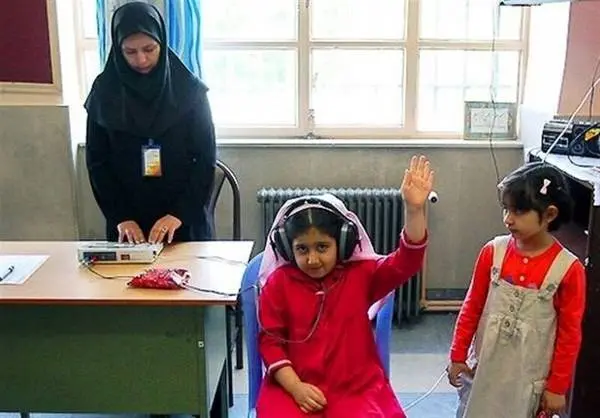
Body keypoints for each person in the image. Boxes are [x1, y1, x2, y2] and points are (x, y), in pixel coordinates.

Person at [255, 155, 434, 418]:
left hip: (356, 387)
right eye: (302, 249)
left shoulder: (362, 274)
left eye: (322, 247)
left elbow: (407, 261)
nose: (312, 259)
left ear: (343, 242)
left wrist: (414, 211)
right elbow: (271, 343)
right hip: (292, 385)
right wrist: (296, 388)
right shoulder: (278, 284)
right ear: (286, 247)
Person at [447, 162, 586, 418]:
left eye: (519, 211)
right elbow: (472, 306)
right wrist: (458, 354)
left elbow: (570, 334)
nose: (508, 219)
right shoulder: (493, 252)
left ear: (550, 214)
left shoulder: (568, 269)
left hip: (528, 380)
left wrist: (557, 387)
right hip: (484, 370)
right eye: (506, 209)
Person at [84, 1, 216, 244]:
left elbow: (205, 159)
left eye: (149, 49)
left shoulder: (189, 90)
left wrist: (179, 214)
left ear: (162, 42)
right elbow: (97, 162)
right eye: (130, 52)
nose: (142, 60)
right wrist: (120, 216)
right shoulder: (104, 92)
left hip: (183, 222)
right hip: (128, 225)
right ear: (118, 49)